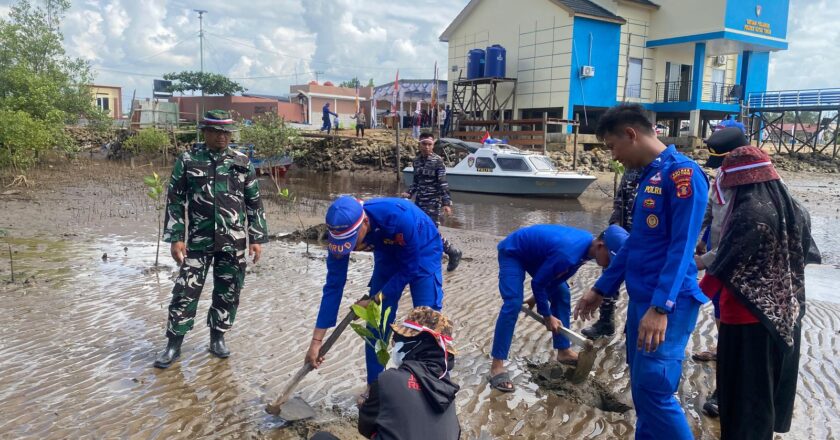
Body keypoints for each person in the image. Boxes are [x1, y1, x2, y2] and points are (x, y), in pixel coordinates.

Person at [574, 104, 709, 440]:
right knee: (641, 389)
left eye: (612, 146)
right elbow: (635, 243)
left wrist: (661, 307)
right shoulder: (651, 175)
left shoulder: (684, 175)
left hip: (667, 302)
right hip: (641, 299)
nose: (614, 157)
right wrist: (601, 287)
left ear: (631, 134)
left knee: (656, 390)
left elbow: (682, 247)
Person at [705, 146, 820, 440]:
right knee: (766, 391)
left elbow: (724, 266)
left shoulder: (749, 212)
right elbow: (806, 255)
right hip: (785, 316)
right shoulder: (796, 209)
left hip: (746, 318)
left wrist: (679, 298)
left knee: (742, 395)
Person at [154, 110, 268, 369]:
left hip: (234, 240)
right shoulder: (188, 160)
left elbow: (254, 202)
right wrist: (175, 237)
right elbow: (175, 201)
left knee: (228, 291)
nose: (222, 137)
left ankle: (218, 337)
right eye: (217, 132)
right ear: (205, 132)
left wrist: (256, 237)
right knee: (185, 291)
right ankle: (174, 344)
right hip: (197, 240)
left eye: (226, 132)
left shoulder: (241, 161)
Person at [305, 196, 445, 398]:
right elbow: (333, 286)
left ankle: (428, 386)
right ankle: (375, 386)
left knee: (426, 321)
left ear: (364, 223)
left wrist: (374, 299)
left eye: (352, 241)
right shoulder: (339, 236)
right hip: (387, 252)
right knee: (376, 323)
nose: (350, 248)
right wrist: (316, 342)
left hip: (422, 248)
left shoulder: (397, 217)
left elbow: (410, 269)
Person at [488, 224, 629, 392]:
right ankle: (497, 366)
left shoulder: (587, 249)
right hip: (513, 251)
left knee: (562, 293)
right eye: (610, 260)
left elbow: (558, 276)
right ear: (600, 246)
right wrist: (546, 315)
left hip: (536, 255)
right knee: (513, 303)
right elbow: (538, 282)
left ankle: (564, 351)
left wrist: (538, 297)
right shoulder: (568, 253)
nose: (609, 266)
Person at [690, 127, 749, 417]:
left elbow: (738, 240)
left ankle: (724, 391)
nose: (721, 168)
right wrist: (697, 238)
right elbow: (711, 213)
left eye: (724, 162)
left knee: (738, 327)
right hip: (717, 262)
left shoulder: (754, 187)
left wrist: (698, 263)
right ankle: (721, 349)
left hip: (740, 268)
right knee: (720, 313)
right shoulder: (721, 179)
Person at [581, 166, 642, 340]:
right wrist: (615, 226)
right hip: (621, 233)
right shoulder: (631, 170)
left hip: (643, 239)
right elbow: (619, 201)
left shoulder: (658, 171)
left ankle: (634, 324)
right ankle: (606, 322)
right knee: (608, 274)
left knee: (638, 279)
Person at [402, 132, 463, 272]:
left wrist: (447, 203)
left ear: (433, 145)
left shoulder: (438, 161)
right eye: (424, 144)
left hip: (433, 202)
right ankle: (425, 255)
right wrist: (409, 192)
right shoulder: (416, 161)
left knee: (431, 231)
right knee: (419, 229)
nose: (427, 147)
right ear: (419, 144)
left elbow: (443, 184)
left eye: (430, 144)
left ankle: (452, 251)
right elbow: (416, 182)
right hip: (420, 202)